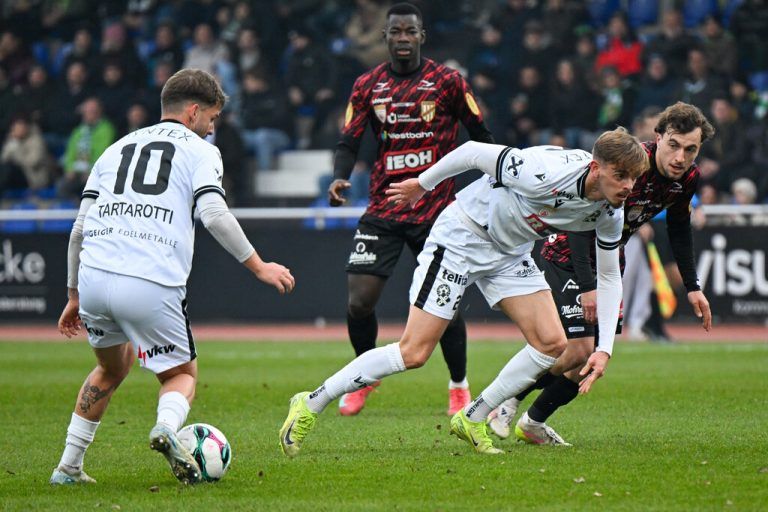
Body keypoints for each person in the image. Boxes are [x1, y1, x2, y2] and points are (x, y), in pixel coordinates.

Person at [280, 127, 648, 457]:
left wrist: (604, 349)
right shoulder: (543, 170)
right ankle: (312, 401)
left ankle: (473, 417)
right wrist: (422, 184)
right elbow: (472, 150)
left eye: (634, 178)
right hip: (462, 239)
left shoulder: (610, 211)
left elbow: (610, 276)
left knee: (553, 343)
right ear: (596, 168)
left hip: (509, 253)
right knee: (414, 353)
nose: (628, 187)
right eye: (621, 176)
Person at [50, 69, 295, 485]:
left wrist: (74, 293)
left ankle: (68, 468)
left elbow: (78, 229)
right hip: (149, 278)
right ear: (195, 111)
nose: (213, 128)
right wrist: (260, 265)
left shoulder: (115, 147)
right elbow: (214, 214)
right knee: (180, 375)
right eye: (213, 119)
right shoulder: (200, 152)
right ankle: (166, 427)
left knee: (111, 369)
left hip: (94, 276)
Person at [487, 102, 714, 445]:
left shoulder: (688, 178)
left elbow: (680, 228)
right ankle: (507, 400)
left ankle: (533, 423)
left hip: (608, 263)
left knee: (589, 360)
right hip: (567, 254)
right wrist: (587, 285)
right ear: (657, 138)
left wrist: (692, 286)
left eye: (690, 149)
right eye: (674, 145)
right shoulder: (630, 166)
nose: (680, 157)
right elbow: (581, 223)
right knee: (577, 350)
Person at [326, 3, 495, 417]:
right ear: (385, 37)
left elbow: (481, 136)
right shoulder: (367, 85)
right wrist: (340, 175)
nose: (403, 38)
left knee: (446, 306)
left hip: (437, 211)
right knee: (359, 302)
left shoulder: (449, 82)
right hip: (384, 206)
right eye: (396, 32)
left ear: (422, 36)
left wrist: (493, 183)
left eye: (410, 31)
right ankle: (365, 377)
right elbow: (349, 140)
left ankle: (459, 385)